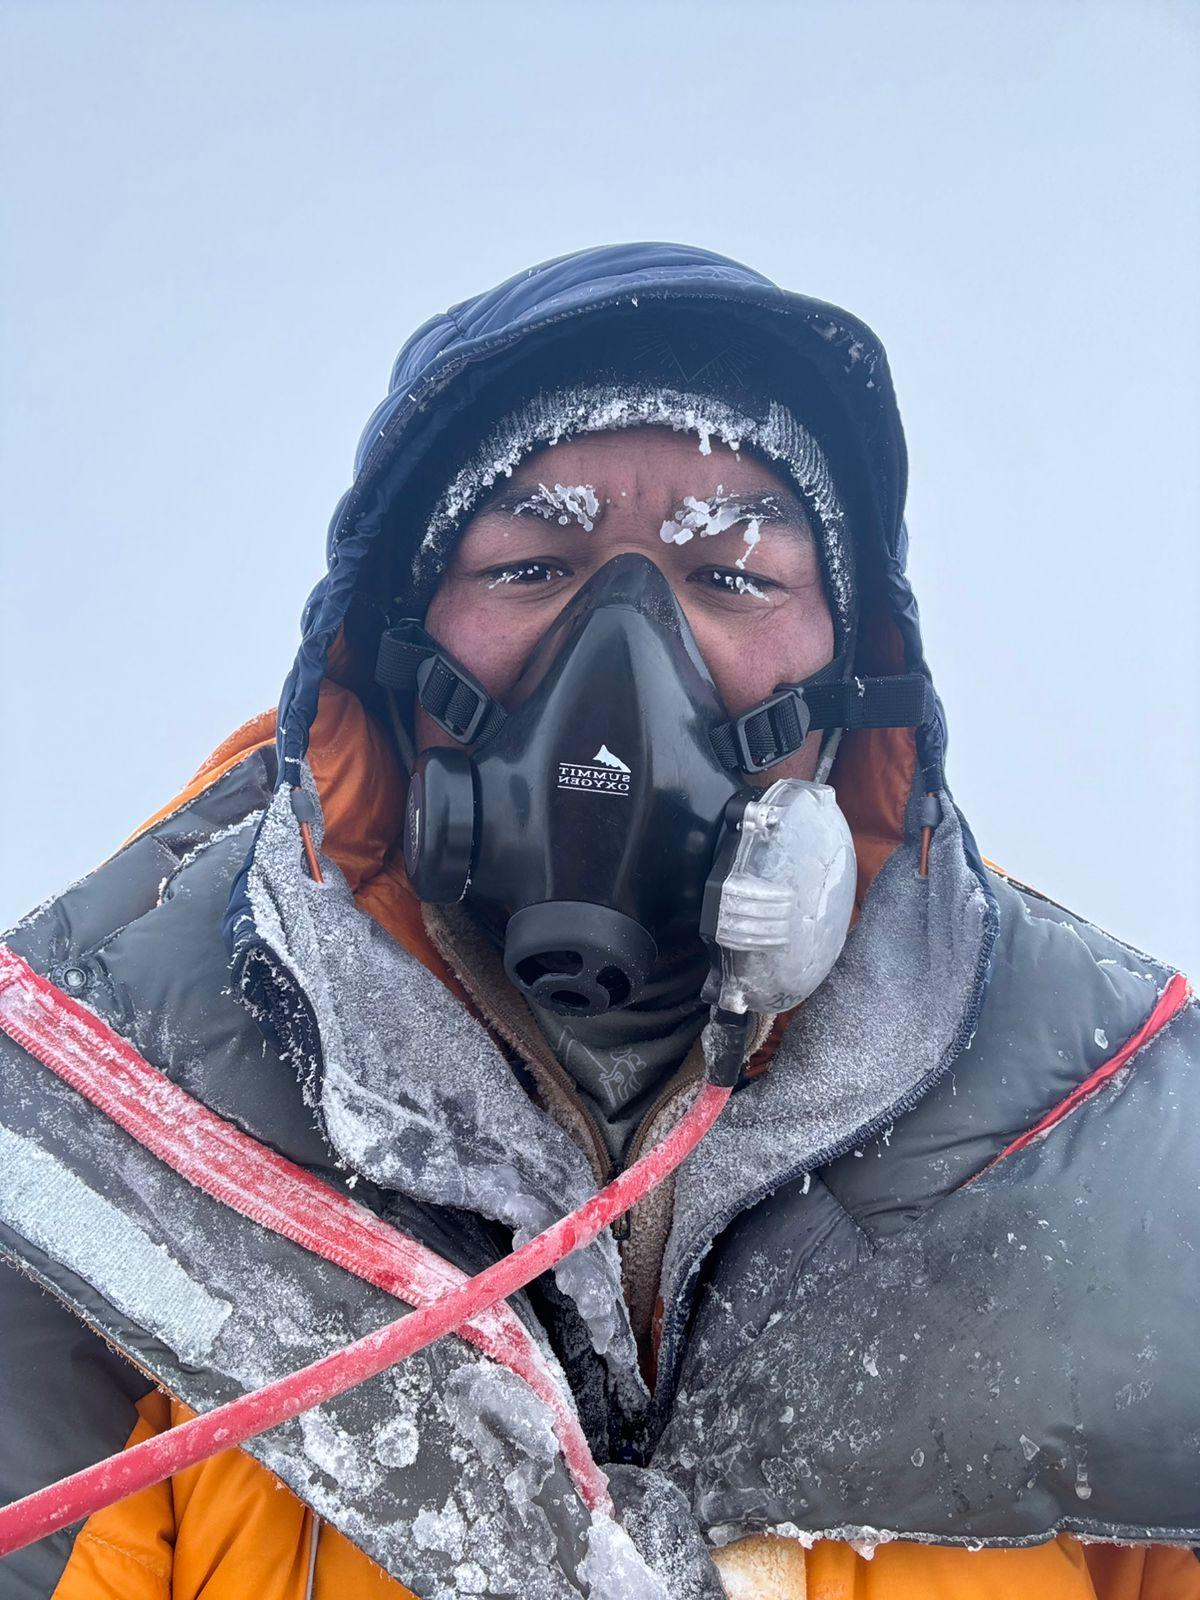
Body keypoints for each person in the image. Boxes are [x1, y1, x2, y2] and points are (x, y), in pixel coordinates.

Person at [1, 242, 1197, 1600]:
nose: (625, 654)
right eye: (531, 564)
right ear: (386, 655)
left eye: (734, 574)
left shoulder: (1126, 1167)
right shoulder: (79, 1156)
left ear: (857, 673)